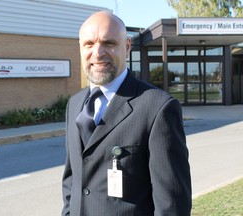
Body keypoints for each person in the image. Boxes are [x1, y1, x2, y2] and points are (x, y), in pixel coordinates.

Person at [62, 11, 192, 216]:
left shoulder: (158, 108)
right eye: (89, 44)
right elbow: (72, 179)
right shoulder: (75, 104)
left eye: (108, 43)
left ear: (128, 47)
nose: (98, 52)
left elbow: (172, 204)